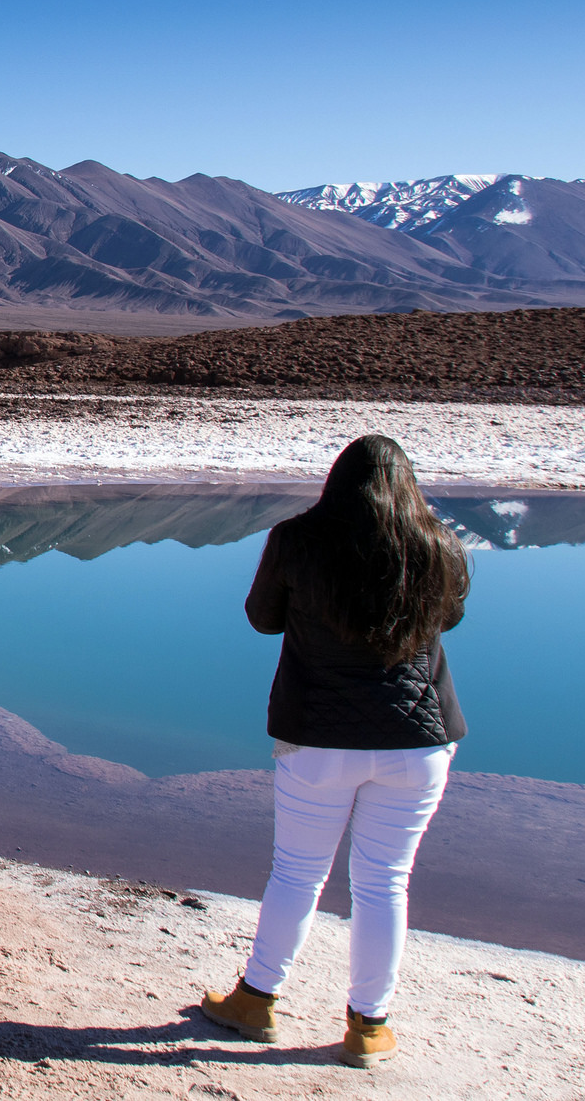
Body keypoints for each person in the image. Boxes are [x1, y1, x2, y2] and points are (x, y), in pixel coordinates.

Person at [199, 434, 471, 1069]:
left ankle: (256, 1000)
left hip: (318, 738)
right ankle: (368, 1027)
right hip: (417, 741)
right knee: (385, 883)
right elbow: (449, 618)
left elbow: (263, 618)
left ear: (337, 480)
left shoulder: (297, 539)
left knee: (298, 872)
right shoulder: (438, 545)